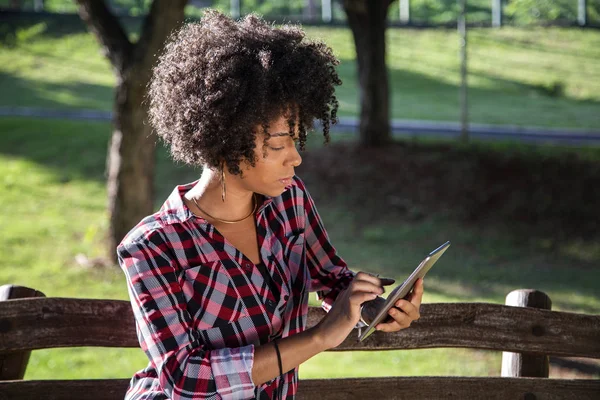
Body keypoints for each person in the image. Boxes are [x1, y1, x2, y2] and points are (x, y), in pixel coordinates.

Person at [117, 10, 424, 400]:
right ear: (225, 142)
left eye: (296, 140)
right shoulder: (152, 247)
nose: (294, 158)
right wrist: (320, 338)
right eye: (278, 145)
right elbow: (187, 377)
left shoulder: (289, 201)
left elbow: (332, 279)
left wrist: (377, 308)